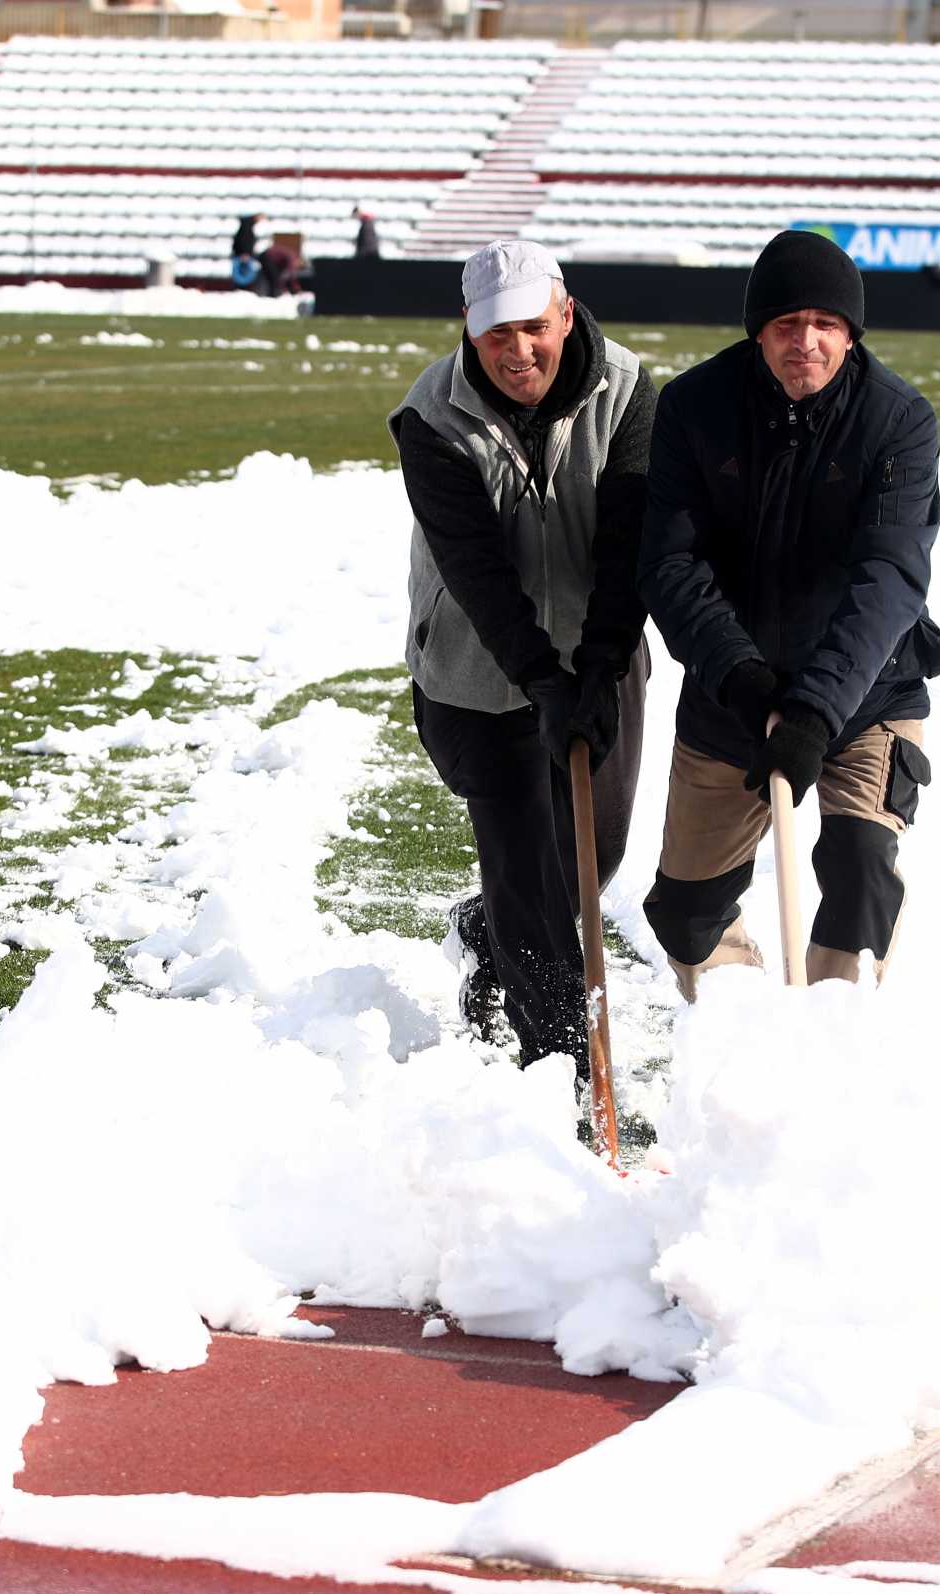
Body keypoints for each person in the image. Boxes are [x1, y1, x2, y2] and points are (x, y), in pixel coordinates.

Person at [637, 228, 940, 995]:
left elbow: (889, 574)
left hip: (865, 693)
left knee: (858, 883)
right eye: (787, 324)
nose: (805, 342)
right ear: (759, 331)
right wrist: (744, 680)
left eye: (825, 325)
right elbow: (669, 564)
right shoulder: (694, 408)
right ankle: (742, 1023)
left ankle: (828, 1047)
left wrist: (815, 708)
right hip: (734, 697)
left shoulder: (897, 420)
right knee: (686, 914)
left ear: (851, 333)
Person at [390, 239, 656, 1066]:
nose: (517, 351)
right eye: (494, 335)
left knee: (591, 859)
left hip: (598, 654)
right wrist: (541, 680)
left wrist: (600, 667)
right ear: (469, 334)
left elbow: (630, 544)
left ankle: (484, 925)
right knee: (532, 877)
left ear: (566, 312)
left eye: (533, 327)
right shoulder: (431, 417)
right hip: (475, 671)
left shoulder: (631, 392)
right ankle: (567, 1072)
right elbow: (478, 573)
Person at [229, 213, 261, 291]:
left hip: (242, 255)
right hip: (243, 256)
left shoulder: (245, 227)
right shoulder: (247, 229)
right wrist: (244, 253)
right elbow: (244, 242)